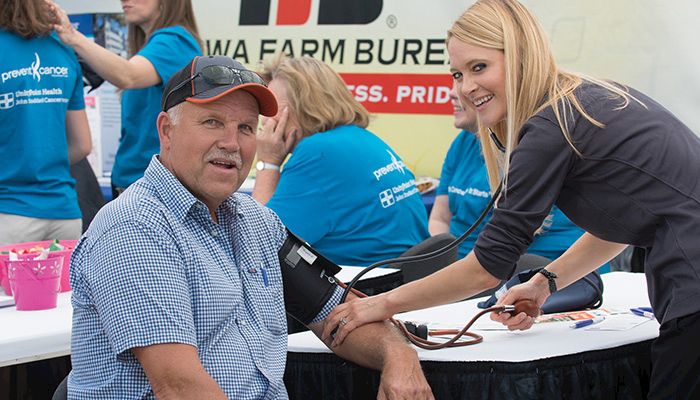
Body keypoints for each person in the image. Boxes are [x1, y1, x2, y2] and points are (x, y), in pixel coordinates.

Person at [322, 1, 700, 399]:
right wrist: (544, 284)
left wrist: (381, 305)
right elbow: (620, 227)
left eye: (479, 67)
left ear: (520, 55)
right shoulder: (581, 101)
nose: (465, 87)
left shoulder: (550, 126)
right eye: (457, 73)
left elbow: (486, 269)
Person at [67, 55, 433, 399]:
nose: (231, 143)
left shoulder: (257, 222)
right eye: (212, 122)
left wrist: (398, 354)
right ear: (166, 130)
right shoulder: (136, 228)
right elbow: (180, 388)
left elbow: (338, 314)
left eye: (245, 127)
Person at [252, 54, 429, 266]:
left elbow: (259, 246)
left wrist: (268, 162)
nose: (265, 120)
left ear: (303, 106)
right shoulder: (361, 138)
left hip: (366, 286)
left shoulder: (318, 151)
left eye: (273, 107)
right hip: (399, 279)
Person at [48, 0, 203, 198]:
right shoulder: (156, 44)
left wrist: (73, 37)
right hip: (134, 181)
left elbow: (128, 75)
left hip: (152, 187)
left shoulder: (175, 41)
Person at [429, 80, 586, 262]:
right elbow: (439, 219)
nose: (453, 93)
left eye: (468, 79)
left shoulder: (537, 145)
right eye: (457, 78)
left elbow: (496, 258)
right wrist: (440, 261)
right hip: (468, 270)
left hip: (531, 272)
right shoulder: (463, 141)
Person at [0, 0, 92, 245]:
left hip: (8, 214)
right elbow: (82, 144)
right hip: (65, 213)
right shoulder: (61, 48)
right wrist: (43, 160)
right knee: (62, 286)